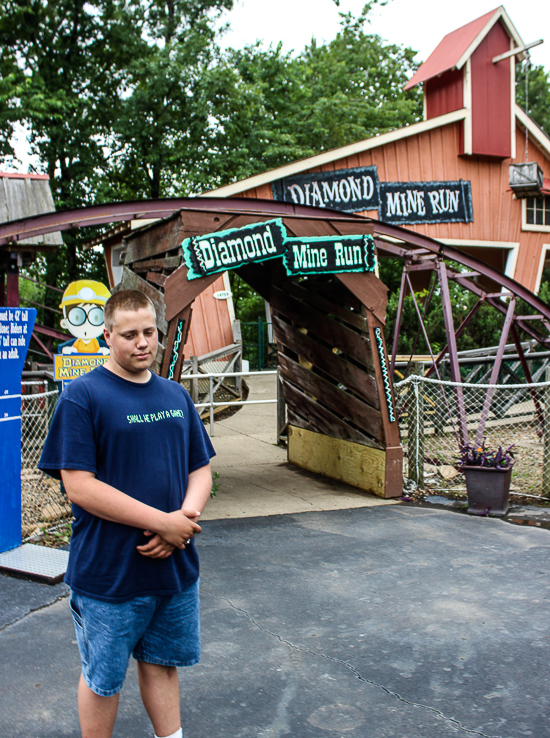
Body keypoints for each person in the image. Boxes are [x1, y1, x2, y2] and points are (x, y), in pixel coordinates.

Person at [39, 289, 215, 738]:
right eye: (130, 333)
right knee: (103, 679)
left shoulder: (175, 395)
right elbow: (79, 486)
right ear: (108, 335)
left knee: (163, 665)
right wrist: (163, 523)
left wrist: (184, 521)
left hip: (173, 568)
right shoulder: (83, 396)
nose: (142, 342)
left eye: (149, 332)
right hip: (109, 573)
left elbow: (201, 469)